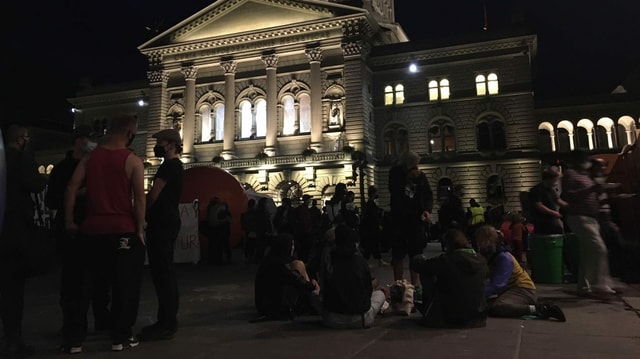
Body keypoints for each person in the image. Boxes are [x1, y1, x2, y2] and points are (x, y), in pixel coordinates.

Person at [64, 114, 147, 352]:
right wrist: (139, 228)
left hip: (92, 229)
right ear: (130, 134)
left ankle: (75, 340)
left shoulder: (90, 158)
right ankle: (120, 337)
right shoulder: (132, 161)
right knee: (125, 285)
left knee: (84, 286)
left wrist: (70, 221)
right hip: (122, 230)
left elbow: (71, 187)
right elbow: (139, 200)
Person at [45, 126, 110, 338]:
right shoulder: (62, 169)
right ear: (79, 140)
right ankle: (72, 325)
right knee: (72, 281)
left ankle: (102, 320)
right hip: (71, 231)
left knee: (100, 279)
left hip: (95, 229)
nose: (94, 142)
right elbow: (52, 200)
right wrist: (77, 194)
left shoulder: (97, 166)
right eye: (90, 138)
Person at [1, 125, 47, 358]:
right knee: (12, 289)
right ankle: (13, 339)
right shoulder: (21, 159)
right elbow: (36, 185)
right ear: (20, 140)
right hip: (15, 229)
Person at [138, 129, 184, 342]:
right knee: (166, 272)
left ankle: (167, 323)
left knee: (162, 273)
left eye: (161, 142)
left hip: (162, 222)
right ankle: (166, 320)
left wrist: (140, 211)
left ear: (171, 144)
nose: (157, 146)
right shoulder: (177, 166)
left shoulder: (168, 167)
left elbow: (154, 195)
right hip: (169, 220)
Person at [475, 225, 566, 322]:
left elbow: (497, 285)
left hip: (523, 289)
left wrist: (477, 296)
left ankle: (541, 309)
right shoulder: (492, 255)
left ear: (491, 240)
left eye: (483, 241)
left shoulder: (504, 257)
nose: (480, 244)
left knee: (498, 307)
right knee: (486, 307)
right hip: (509, 290)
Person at [561, 151, 616, 297]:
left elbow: (593, 194)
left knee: (587, 253)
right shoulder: (571, 174)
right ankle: (600, 284)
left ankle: (583, 287)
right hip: (579, 217)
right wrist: (592, 189)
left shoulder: (587, 176)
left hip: (592, 218)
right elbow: (570, 195)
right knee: (599, 248)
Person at [410, 228, 488, 328]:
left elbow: (419, 266)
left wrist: (419, 258)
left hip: (451, 315)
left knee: (427, 272)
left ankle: (430, 311)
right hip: (478, 315)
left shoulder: (447, 260)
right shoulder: (481, 260)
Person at [314, 224, 387, 329]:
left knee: (314, 292)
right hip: (360, 318)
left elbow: (323, 291)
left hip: (332, 318)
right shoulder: (359, 261)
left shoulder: (328, 260)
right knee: (380, 294)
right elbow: (368, 291)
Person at [388, 151, 433, 291]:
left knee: (416, 254)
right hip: (399, 219)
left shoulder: (421, 177)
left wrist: (427, 210)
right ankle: (399, 285)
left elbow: (428, 195)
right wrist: (408, 178)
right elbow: (395, 193)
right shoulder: (395, 174)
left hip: (416, 220)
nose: (416, 167)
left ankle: (415, 286)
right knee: (398, 254)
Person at [251, 233, 319, 322]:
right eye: (291, 245)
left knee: (299, 265)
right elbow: (295, 279)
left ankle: (312, 301)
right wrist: (313, 286)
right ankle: (313, 301)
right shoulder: (277, 264)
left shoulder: (272, 258)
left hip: (265, 304)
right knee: (299, 266)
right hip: (271, 307)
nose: (293, 248)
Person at [529, 167, 566, 235]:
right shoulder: (537, 190)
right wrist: (554, 213)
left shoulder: (551, 190)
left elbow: (558, 201)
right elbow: (539, 206)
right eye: (556, 179)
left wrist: (570, 207)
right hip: (542, 224)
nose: (557, 182)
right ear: (549, 179)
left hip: (552, 222)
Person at [359, 186, 389, 267]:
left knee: (373, 245)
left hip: (371, 228)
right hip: (371, 228)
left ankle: (377, 260)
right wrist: (378, 224)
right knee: (371, 245)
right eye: (376, 192)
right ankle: (370, 261)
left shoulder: (370, 203)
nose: (377, 194)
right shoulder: (370, 204)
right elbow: (373, 216)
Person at [437, 185, 466, 251]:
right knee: (455, 240)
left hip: (457, 223)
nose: (464, 192)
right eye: (462, 190)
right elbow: (447, 212)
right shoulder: (452, 200)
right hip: (454, 224)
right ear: (457, 191)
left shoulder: (455, 200)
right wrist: (452, 221)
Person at [205, 197, 232, 264]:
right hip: (222, 230)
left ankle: (214, 259)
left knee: (214, 246)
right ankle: (223, 259)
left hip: (215, 230)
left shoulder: (211, 209)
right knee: (224, 245)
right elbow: (228, 220)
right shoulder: (221, 210)